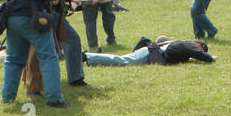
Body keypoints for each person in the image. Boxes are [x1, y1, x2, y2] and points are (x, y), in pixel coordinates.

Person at [85, 36, 214, 65]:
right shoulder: (190, 45)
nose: (202, 51)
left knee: (123, 59)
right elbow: (201, 55)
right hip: (150, 53)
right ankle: (87, 57)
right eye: (203, 48)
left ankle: (95, 57)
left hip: (152, 53)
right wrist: (211, 58)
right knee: (124, 61)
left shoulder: (185, 46)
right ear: (198, 44)